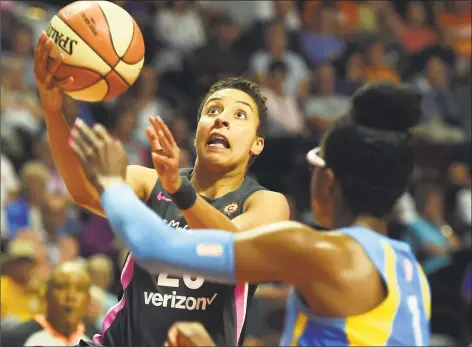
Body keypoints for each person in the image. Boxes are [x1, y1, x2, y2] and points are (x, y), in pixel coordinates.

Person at [70, 83, 431, 346]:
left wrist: (110, 181)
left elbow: (155, 247)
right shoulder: (410, 269)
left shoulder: (318, 251)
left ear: (329, 182)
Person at [34, 32, 290, 347]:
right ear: (197, 131)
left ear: (257, 144)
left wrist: (180, 191)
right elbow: (82, 190)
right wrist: (52, 109)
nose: (221, 119)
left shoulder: (266, 203)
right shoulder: (150, 182)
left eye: (239, 115)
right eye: (212, 111)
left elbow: (232, 250)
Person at [2, 261, 98, 346]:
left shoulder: (99, 340)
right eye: (61, 287)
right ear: (46, 294)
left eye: (80, 289)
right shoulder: (13, 338)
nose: (70, 296)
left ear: (89, 299)